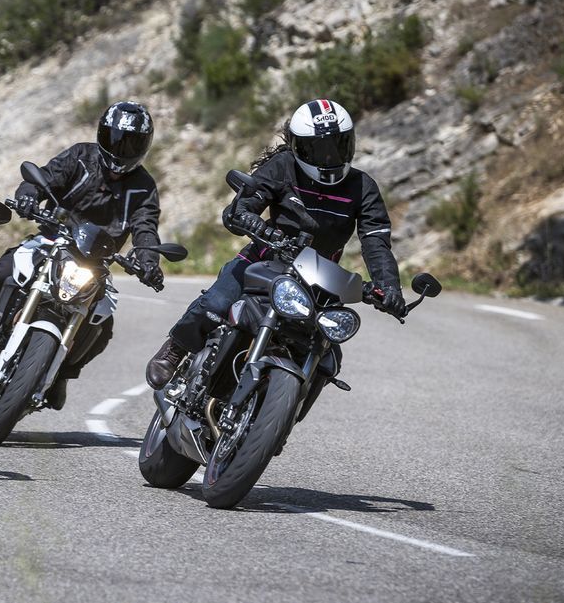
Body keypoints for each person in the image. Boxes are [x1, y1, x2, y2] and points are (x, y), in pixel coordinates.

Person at [145, 98, 406, 389]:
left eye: (338, 145)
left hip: (321, 279)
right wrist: (249, 220)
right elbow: (243, 205)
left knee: (328, 356)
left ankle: (285, 411)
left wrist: (388, 286)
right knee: (216, 302)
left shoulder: (363, 187)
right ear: (299, 147)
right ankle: (175, 349)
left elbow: (376, 242)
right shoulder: (282, 166)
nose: (329, 156)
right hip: (264, 258)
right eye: (319, 149)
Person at [0, 101, 164, 409]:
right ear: (103, 134)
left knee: (102, 327)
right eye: (116, 138)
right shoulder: (81, 157)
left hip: (96, 263)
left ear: (144, 145)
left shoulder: (144, 187)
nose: (121, 147)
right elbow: (47, 177)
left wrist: (148, 261)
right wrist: (28, 196)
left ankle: (62, 372)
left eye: (131, 142)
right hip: (54, 240)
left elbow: (146, 227)